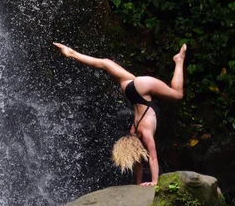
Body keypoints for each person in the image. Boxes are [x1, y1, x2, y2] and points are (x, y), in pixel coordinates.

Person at [53, 42, 187, 187]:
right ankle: (72, 52)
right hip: (130, 89)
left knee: (178, 95)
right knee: (105, 63)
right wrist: (138, 183)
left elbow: (152, 158)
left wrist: (154, 181)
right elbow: (139, 160)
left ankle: (179, 60)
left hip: (143, 87)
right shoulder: (133, 132)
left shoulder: (142, 132)